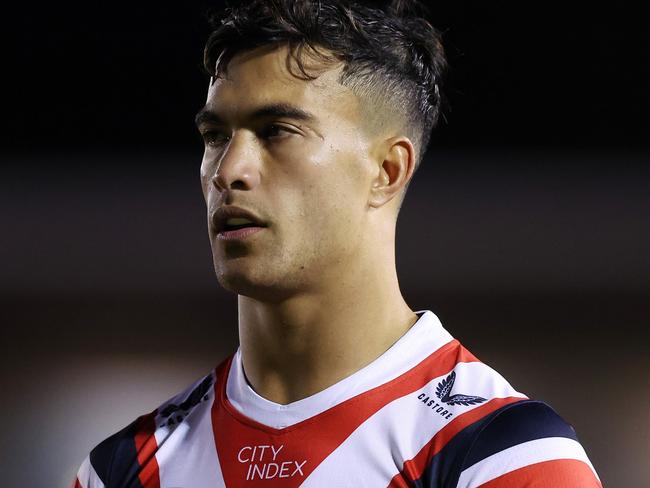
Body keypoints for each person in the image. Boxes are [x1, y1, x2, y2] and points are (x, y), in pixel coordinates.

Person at [73, 1, 602, 486]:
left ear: (387, 170)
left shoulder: (500, 455)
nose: (228, 171)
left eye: (276, 130)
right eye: (216, 136)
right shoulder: (123, 470)